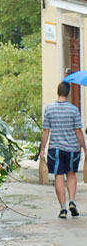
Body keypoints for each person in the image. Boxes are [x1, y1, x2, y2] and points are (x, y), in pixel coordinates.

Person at [40, 81, 87, 218]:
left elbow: (46, 131)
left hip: (55, 149)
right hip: (72, 148)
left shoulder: (49, 109)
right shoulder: (74, 110)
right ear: (68, 93)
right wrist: (84, 147)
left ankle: (63, 208)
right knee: (71, 174)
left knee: (59, 176)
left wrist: (42, 149)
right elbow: (78, 130)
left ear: (58, 92)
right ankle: (72, 200)